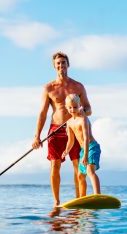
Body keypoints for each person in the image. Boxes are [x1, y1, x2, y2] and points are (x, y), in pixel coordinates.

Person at [32, 52, 92, 207]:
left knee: (78, 165)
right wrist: (36, 136)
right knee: (55, 165)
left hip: (74, 128)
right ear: (54, 66)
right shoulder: (49, 88)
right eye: (58, 63)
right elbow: (43, 113)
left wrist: (81, 112)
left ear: (68, 65)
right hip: (55, 130)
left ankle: (79, 200)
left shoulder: (78, 86)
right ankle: (56, 202)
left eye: (63, 63)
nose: (61, 66)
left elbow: (89, 108)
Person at [62, 94, 101, 197]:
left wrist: (85, 155)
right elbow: (71, 140)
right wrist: (66, 150)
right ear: (66, 107)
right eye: (70, 107)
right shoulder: (69, 123)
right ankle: (82, 198)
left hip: (91, 147)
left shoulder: (83, 119)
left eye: (75, 107)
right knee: (80, 175)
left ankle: (97, 196)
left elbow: (86, 137)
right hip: (83, 150)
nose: (72, 109)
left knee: (89, 171)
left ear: (79, 105)